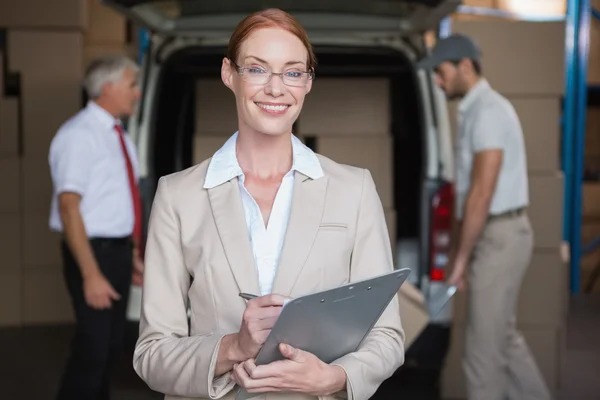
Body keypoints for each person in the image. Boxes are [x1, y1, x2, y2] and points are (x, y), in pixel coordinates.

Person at [133, 8, 405, 400]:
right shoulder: (178, 196)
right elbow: (151, 354)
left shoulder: (354, 189)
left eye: (293, 72)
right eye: (258, 69)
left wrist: (335, 378)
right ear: (230, 74)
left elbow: (387, 335)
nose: (276, 88)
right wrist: (233, 347)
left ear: (308, 82)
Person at [417, 34, 550, 400]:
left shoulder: (488, 111)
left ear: (465, 66)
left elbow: (481, 193)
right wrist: (461, 253)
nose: (438, 81)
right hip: (493, 235)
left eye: (441, 73)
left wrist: (459, 260)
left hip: (499, 237)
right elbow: (466, 197)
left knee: (481, 356)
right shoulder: (474, 111)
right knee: (503, 340)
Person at [48, 55, 145, 400]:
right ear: (108, 87)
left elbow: (119, 201)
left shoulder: (118, 134)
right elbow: (68, 207)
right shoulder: (79, 135)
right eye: (132, 85)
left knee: (110, 347)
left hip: (116, 252)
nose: (137, 93)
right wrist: (91, 274)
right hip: (92, 254)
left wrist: (132, 254)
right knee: (93, 349)